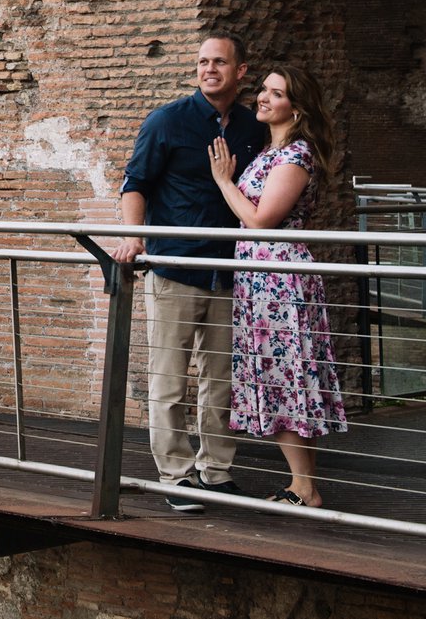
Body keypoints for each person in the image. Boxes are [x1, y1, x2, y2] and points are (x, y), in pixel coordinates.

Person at [113, 34, 269, 513]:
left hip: (228, 270)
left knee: (220, 379)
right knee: (170, 380)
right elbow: (135, 183)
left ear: (240, 71)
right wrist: (133, 237)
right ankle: (176, 477)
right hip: (175, 266)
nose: (209, 69)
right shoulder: (167, 120)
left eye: (219, 62)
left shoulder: (252, 126)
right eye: (202, 62)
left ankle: (215, 472)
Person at [208, 64, 349, 507]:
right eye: (264, 90)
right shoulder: (274, 151)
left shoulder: (295, 156)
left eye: (276, 93)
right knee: (287, 378)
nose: (263, 98)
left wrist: (224, 182)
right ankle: (302, 486)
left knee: (285, 378)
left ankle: (304, 487)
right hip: (261, 278)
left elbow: (261, 221)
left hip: (278, 280)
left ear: (297, 108)